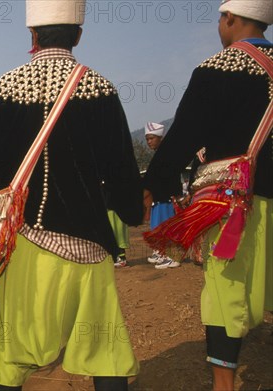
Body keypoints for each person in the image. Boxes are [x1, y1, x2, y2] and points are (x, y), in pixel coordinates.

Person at [0, 1, 144, 390]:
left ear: (32, 35)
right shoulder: (101, 88)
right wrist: (130, 210)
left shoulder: (3, 87)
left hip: (19, 245)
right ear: (78, 35)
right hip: (88, 241)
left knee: (10, 356)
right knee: (105, 351)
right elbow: (121, 169)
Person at [143, 1, 272, 389]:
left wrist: (154, 182)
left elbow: (184, 133)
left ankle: (223, 385)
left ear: (229, 18)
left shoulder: (216, 70)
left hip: (236, 201)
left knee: (224, 292)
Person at [143, 122, 182, 269]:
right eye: (147, 139)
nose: (149, 142)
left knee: (169, 228)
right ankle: (164, 253)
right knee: (159, 228)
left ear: (160, 138)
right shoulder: (159, 155)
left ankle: (174, 256)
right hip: (159, 199)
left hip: (167, 197)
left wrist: (175, 194)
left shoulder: (168, 154)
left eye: (152, 138)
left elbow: (173, 174)